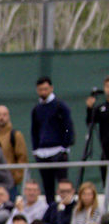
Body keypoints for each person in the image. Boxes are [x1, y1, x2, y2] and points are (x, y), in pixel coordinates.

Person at [31, 76, 75, 205]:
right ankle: (51, 212)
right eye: (40, 89)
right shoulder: (36, 109)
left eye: (45, 89)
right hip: (42, 153)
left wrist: (64, 146)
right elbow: (34, 130)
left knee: (63, 184)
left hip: (58, 151)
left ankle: (66, 209)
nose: (43, 92)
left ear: (51, 88)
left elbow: (68, 127)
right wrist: (36, 149)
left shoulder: (61, 106)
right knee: (48, 187)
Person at [88, 76, 109, 184]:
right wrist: (90, 109)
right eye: (107, 86)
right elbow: (90, 122)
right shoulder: (101, 108)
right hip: (106, 151)